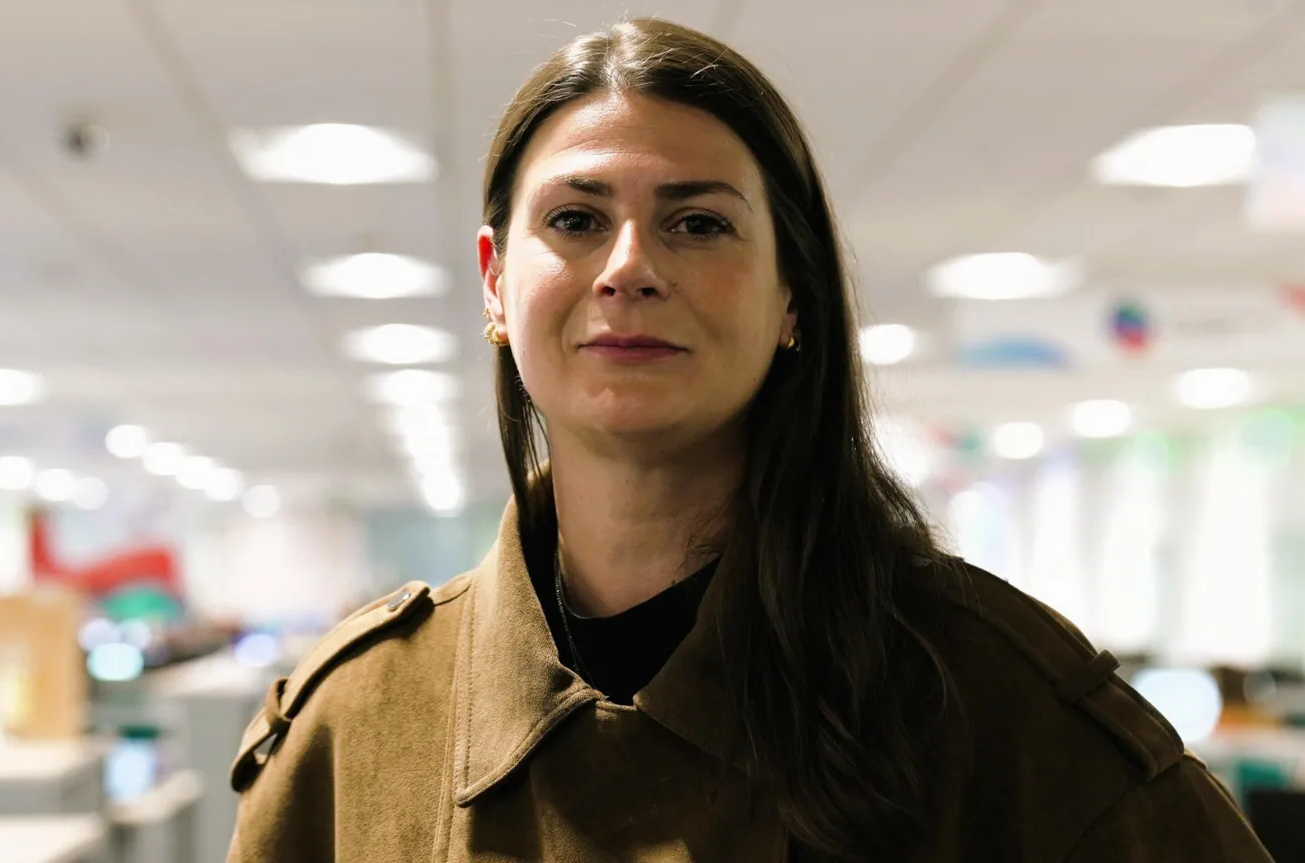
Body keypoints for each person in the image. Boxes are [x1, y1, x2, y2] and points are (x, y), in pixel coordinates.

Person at [228, 17, 1272, 862]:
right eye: (577, 219)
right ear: (498, 281)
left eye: (699, 223)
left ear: (792, 297)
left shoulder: (992, 706)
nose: (628, 265)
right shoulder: (359, 723)